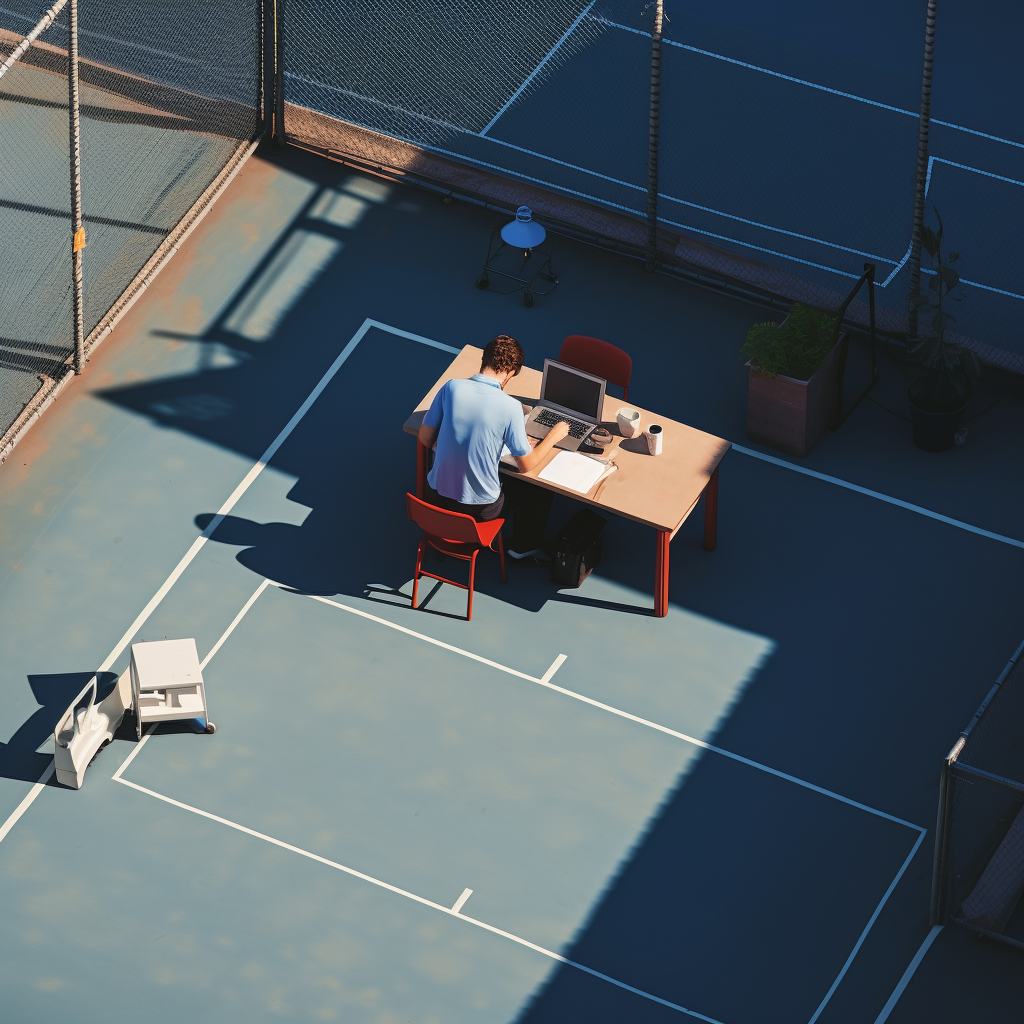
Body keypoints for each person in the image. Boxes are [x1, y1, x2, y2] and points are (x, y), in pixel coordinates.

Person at [417, 334, 568, 559]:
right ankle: (523, 547)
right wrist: (553, 436)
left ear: (484, 359)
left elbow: (425, 439)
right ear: (509, 374)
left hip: (436, 499)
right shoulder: (511, 407)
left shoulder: (451, 388)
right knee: (539, 488)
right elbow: (527, 466)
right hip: (480, 512)